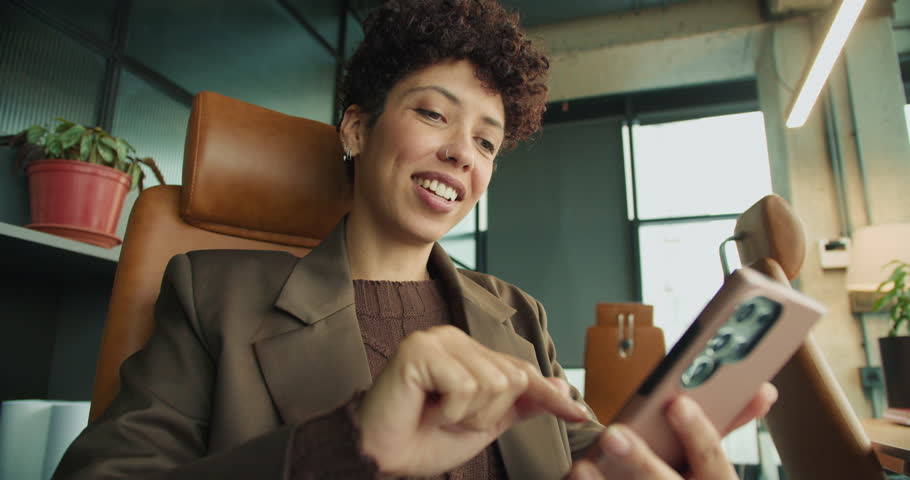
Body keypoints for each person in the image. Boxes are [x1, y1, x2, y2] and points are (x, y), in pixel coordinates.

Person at [53, 0, 776, 479]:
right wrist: (344, 445)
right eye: (434, 114)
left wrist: (646, 453)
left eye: (488, 143)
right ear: (358, 128)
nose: (465, 153)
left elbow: (580, 452)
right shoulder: (214, 294)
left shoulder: (518, 315)